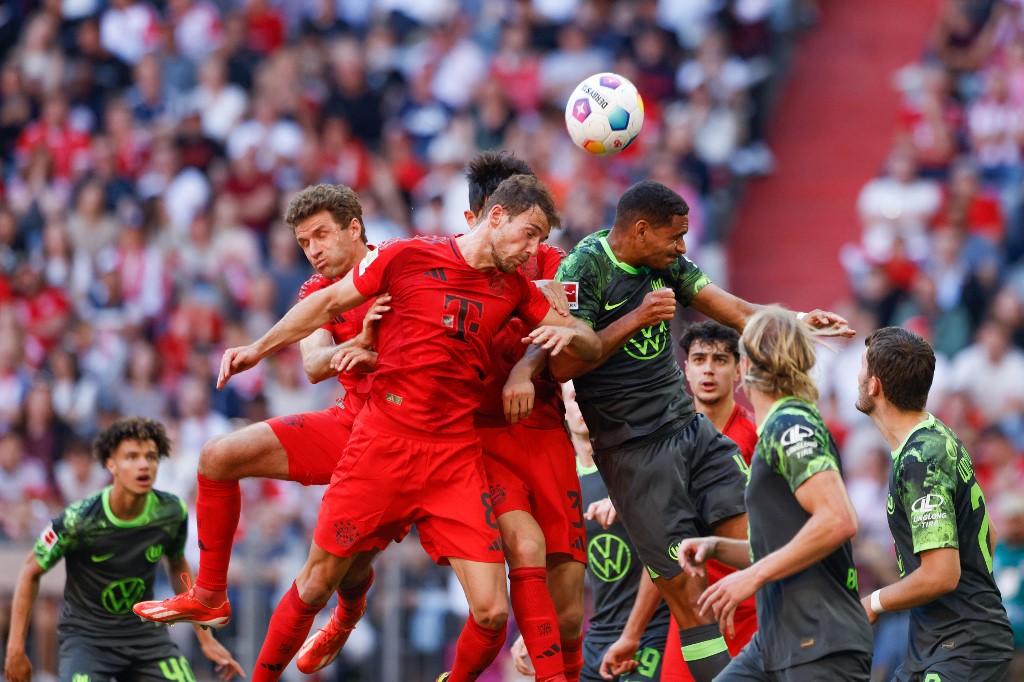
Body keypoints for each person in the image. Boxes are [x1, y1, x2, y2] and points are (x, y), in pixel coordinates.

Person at [213, 173, 601, 682]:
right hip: (383, 442)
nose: (532, 249)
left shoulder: (515, 287)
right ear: (495, 217)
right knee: (316, 583)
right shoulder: (406, 255)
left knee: (491, 614)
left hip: (455, 455)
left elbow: (585, 341)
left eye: (540, 240)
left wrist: (568, 332)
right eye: (529, 234)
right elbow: (325, 306)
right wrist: (257, 349)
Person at [550, 180, 852, 681]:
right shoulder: (583, 268)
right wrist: (637, 318)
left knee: (762, 543)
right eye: (675, 236)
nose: (682, 247)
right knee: (691, 603)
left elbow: (735, 310)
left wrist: (797, 320)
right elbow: (562, 364)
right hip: (635, 453)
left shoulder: (664, 261)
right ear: (640, 230)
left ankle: (818, 647)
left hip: (689, 430)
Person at [134, 183, 387, 673]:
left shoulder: (397, 266)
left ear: (354, 228)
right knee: (217, 455)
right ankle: (209, 593)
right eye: (304, 242)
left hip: (401, 438)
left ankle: (346, 618)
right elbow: (313, 364)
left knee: (340, 570)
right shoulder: (315, 290)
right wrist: (356, 343)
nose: (312, 251)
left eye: (320, 236)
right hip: (349, 423)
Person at [678, 306, 873, 680]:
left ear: (744, 366)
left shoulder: (791, 424)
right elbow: (781, 546)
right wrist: (716, 546)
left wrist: (752, 577)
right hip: (774, 642)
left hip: (819, 641)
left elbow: (838, 519)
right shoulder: (777, 427)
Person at [467, 151, 588, 681]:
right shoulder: (445, 264)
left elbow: (566, 331)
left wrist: (525, 366)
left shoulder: (554, 263)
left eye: (535, 230)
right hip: (479, 439)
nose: (530, 245)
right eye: (524, 229)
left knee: (568, 612)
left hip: (543, 428)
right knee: (511, 571)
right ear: (483, 217)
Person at [4, 417, 244, 682]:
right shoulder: (78, 520)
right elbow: (30, 570)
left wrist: (205, 637)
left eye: (151, 456)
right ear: (111, 464)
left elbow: (178, 567)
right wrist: (15, 649)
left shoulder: (171, 512)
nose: (144, 464)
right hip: (88, 641)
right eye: (131, 456)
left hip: (145, 637)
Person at [855, 326, 1014, 681]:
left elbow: (942, 574)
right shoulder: (937, 435)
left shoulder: (920, 459)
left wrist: (873, 602)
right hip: (943, 641)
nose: (858, 375)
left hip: (961, 645)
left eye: (862, 366)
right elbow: (988, 533)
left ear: (874, 385)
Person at [513, 381, 674, 682]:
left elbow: (665, 552)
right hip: (599, 636)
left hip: (651, 633)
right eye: (575, 397)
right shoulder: (558, 482)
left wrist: (632, 634)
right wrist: (540, 625)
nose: (583, 405)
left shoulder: (635, 468)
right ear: (562, 408)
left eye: (590, 394)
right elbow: (558, 567)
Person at [660, 322, 759, 681]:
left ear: (739, 369)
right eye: (699, 359)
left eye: (720, 360)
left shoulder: (758, 437)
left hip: (747, 605)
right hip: (689, 601)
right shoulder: (665, 441)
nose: (708, 370)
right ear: (685, 369)